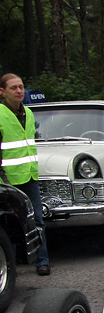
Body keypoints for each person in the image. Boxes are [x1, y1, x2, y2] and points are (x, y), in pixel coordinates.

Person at [0, 73, 50, 275]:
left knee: (37, 220)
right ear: (2, 92)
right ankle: (10, 267)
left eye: (21, 87)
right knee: (9, 224)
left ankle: (42, 261)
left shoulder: (28, 112)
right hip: (8, 179)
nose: (19, 91)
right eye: (13, 88)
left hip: (29, 176)